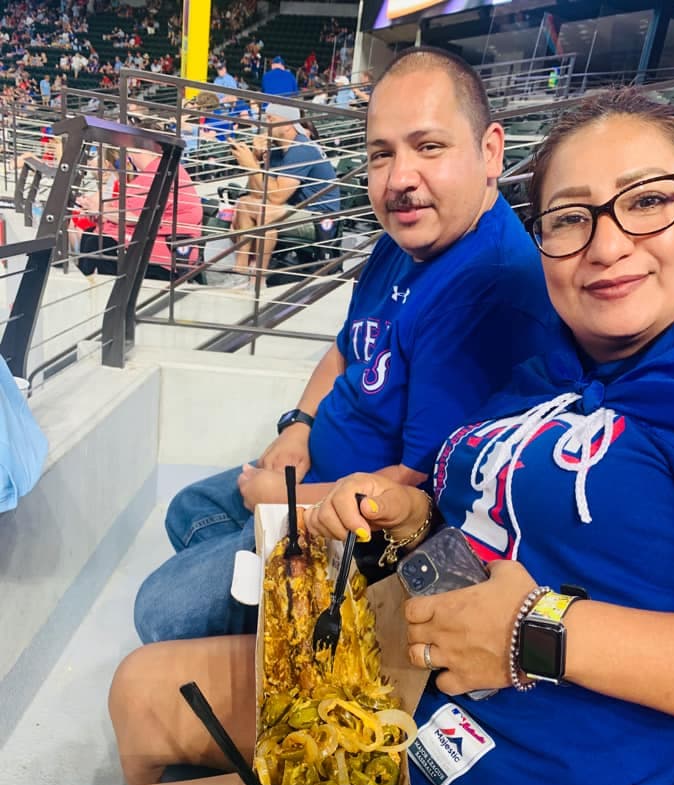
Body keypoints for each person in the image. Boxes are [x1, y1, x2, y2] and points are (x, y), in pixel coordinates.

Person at [14, 86, 674, 785]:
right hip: (392, 692)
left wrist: (541, 633)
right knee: (143, 692)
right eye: (571, 217)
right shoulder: (553, 361)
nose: (607, 243)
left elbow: (539, 602)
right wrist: (414, 514)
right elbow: (489, 528)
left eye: (648, 201)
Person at [132, 46, 556, 644]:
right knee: (188, 510)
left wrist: (280, 499)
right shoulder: (408, 235)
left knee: (161, 610)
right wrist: (300, 426)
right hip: (318, 471)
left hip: (361, 529)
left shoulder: (488, 288)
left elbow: (415, 489)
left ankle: (297, 631)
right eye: (382, 154)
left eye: (428, 146)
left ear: (490, 151)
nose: (400, 178)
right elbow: (343, 351)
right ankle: (272, 618)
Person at [228, 101, 340, 279]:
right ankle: (240, 270)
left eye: (271, 119)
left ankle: (258, 277)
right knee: (244, 203)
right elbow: (257, 193)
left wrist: (252, 166)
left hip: (318, 217)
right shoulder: (278, 150)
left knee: (266, 213)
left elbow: (276, 197)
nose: (266, 125)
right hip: (294, 209)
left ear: (287, 124)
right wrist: (255, 160)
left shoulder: (301, 148)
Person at [77, 128, 203, 281]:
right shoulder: (158, 171)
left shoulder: (161, 173)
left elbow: (134, 217)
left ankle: (96, 293)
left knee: (98, 242)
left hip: (163, 256)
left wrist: (100, 210)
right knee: (93, 236)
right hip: (155, 245)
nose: (129, 157)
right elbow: (126, 210)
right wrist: (98, 211)